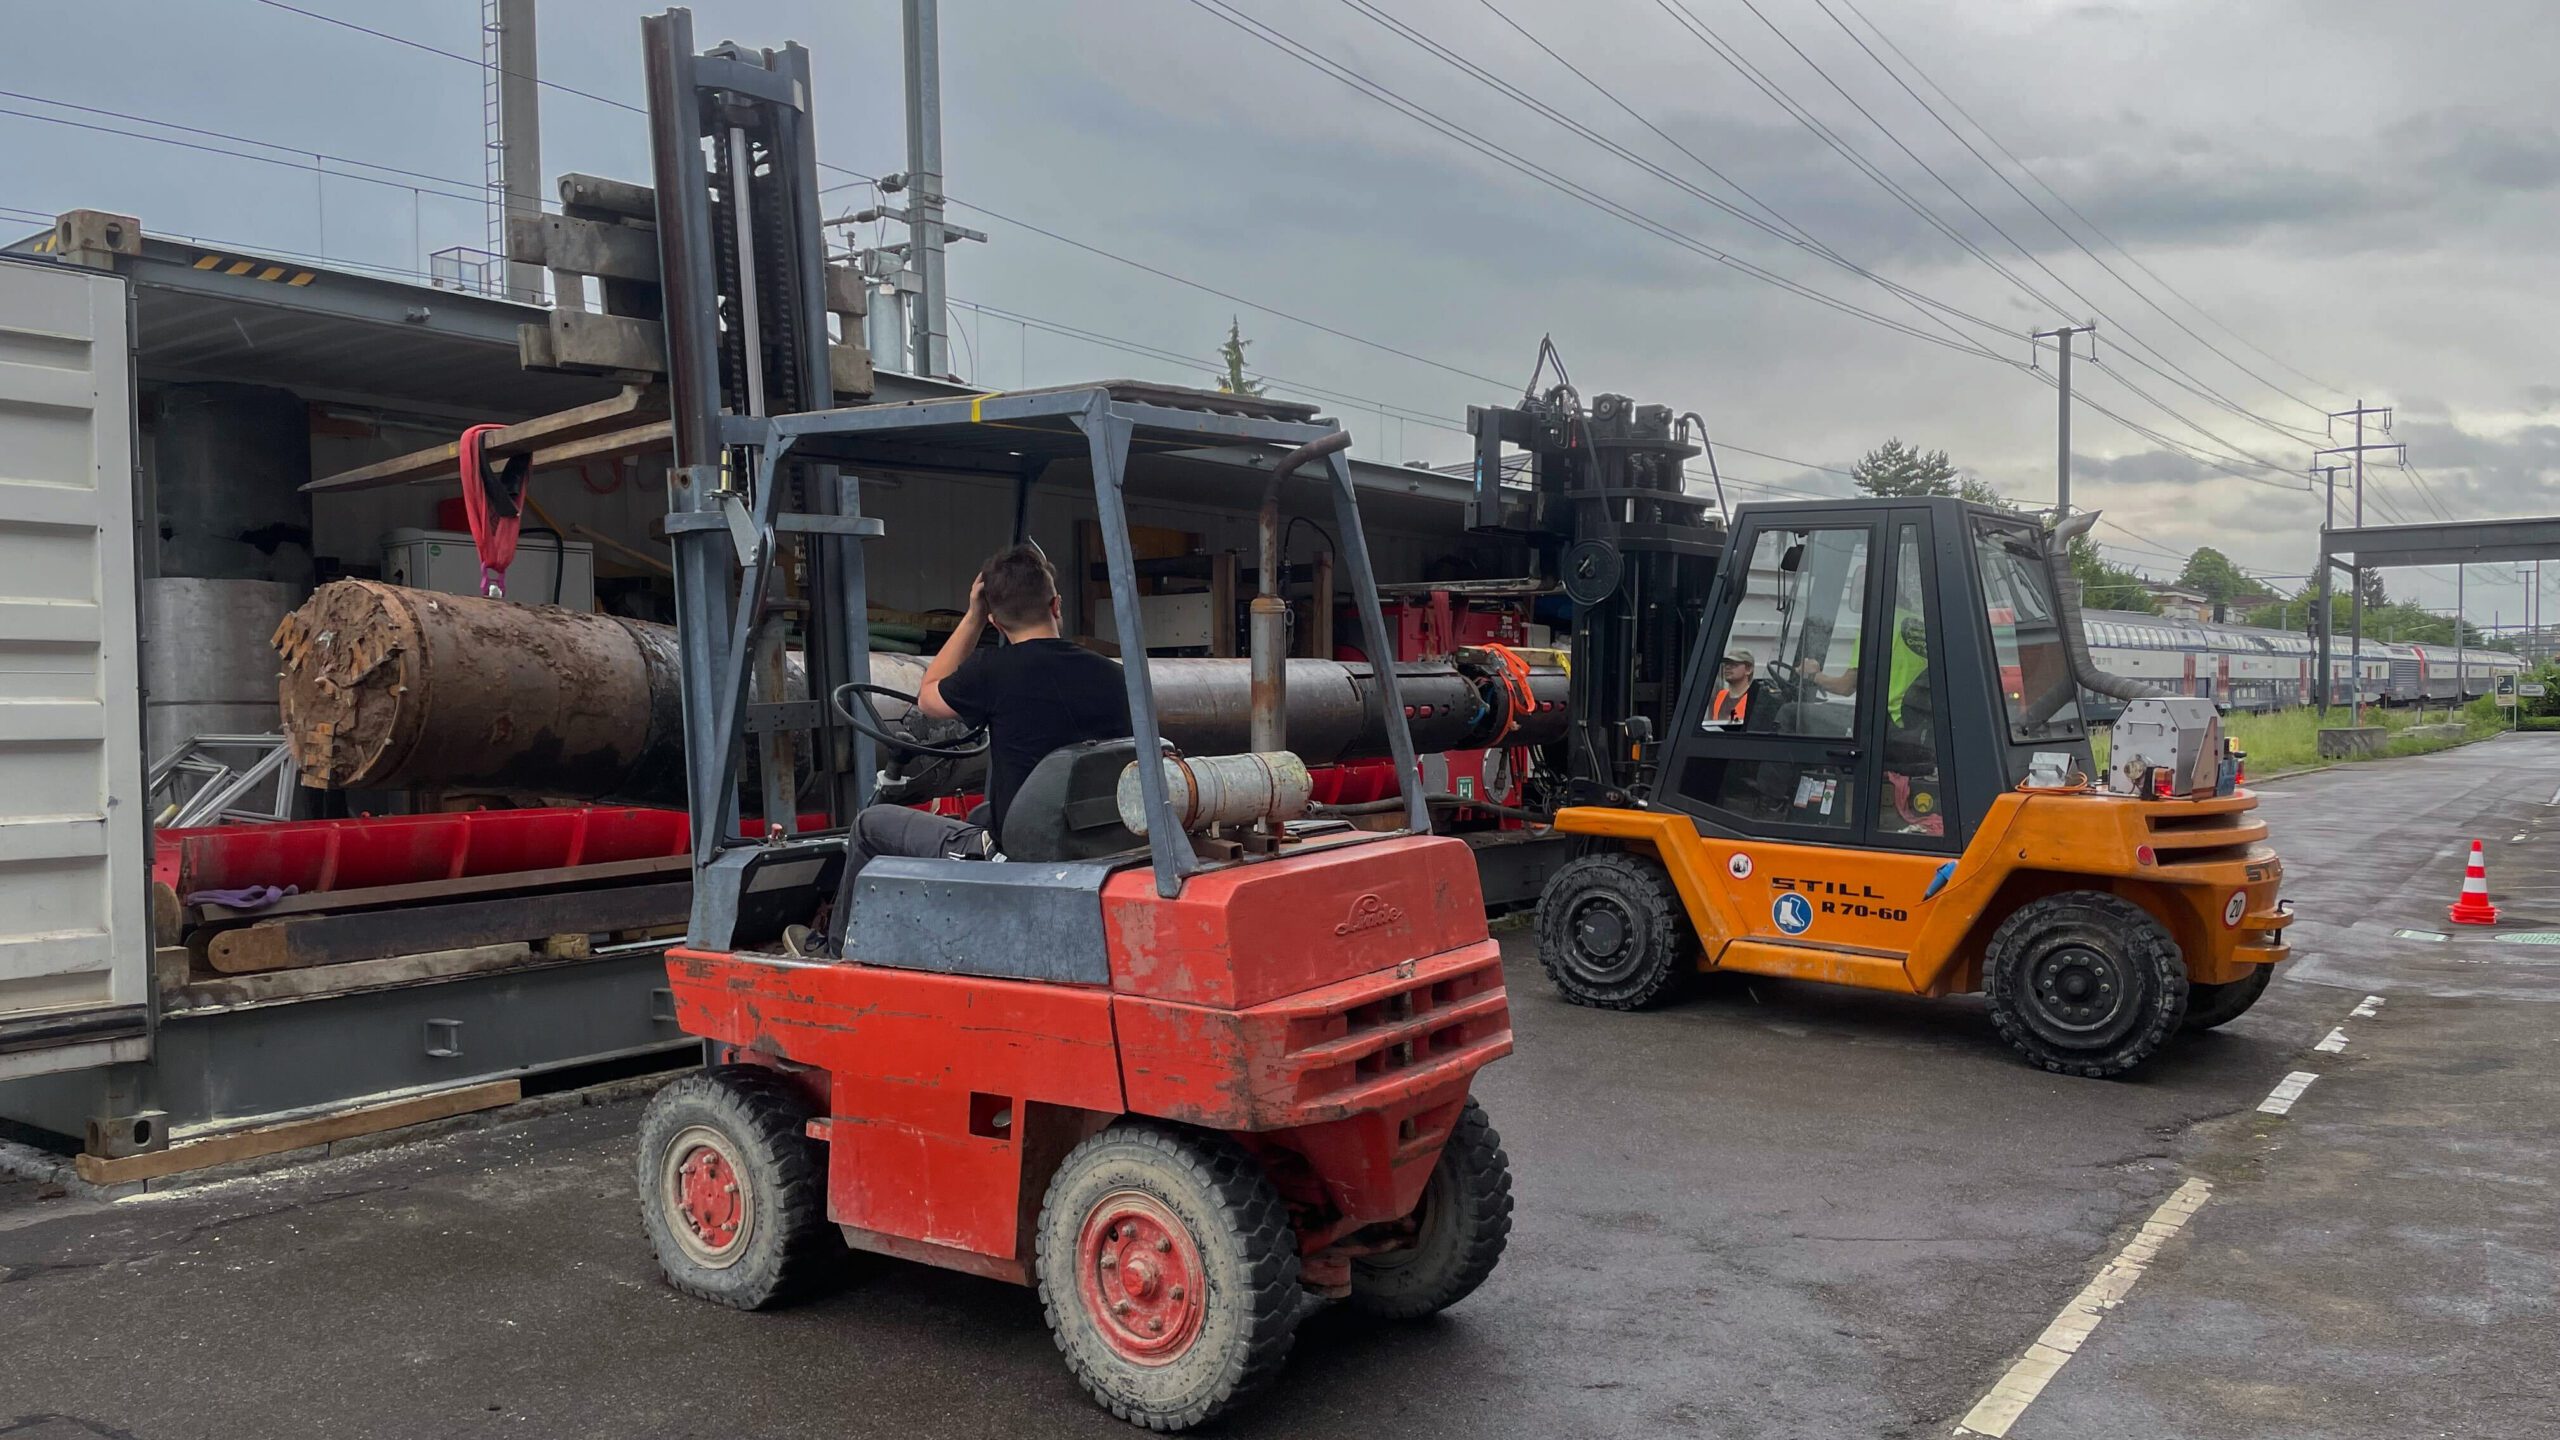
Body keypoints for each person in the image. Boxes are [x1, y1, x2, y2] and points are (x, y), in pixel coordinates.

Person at [851, 543, 1131, 867]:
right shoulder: (1115, 675)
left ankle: (839, 921)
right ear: (1055, 606)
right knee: (980, 813)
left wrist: (972, 618)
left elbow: (926, 698)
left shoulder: (991, 672)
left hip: (1022, 853)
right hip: (1098, 841)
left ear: (995, 623)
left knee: (869, 826)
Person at [1705, 649, 1761, 727]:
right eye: (1726, 664)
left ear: (1748, 669)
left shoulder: (1756, 700)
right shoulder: (1718, 696)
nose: (1727, 667)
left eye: (1734, 664)